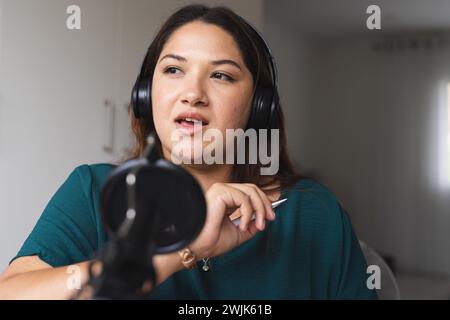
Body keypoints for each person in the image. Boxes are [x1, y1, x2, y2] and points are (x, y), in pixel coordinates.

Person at [0, 4, 377, 299]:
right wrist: (181, 251)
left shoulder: (315, 213)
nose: (193, 93)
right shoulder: (93, 190)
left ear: (257, 106)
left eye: (221, 75)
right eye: (173, 70)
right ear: (147, 96)